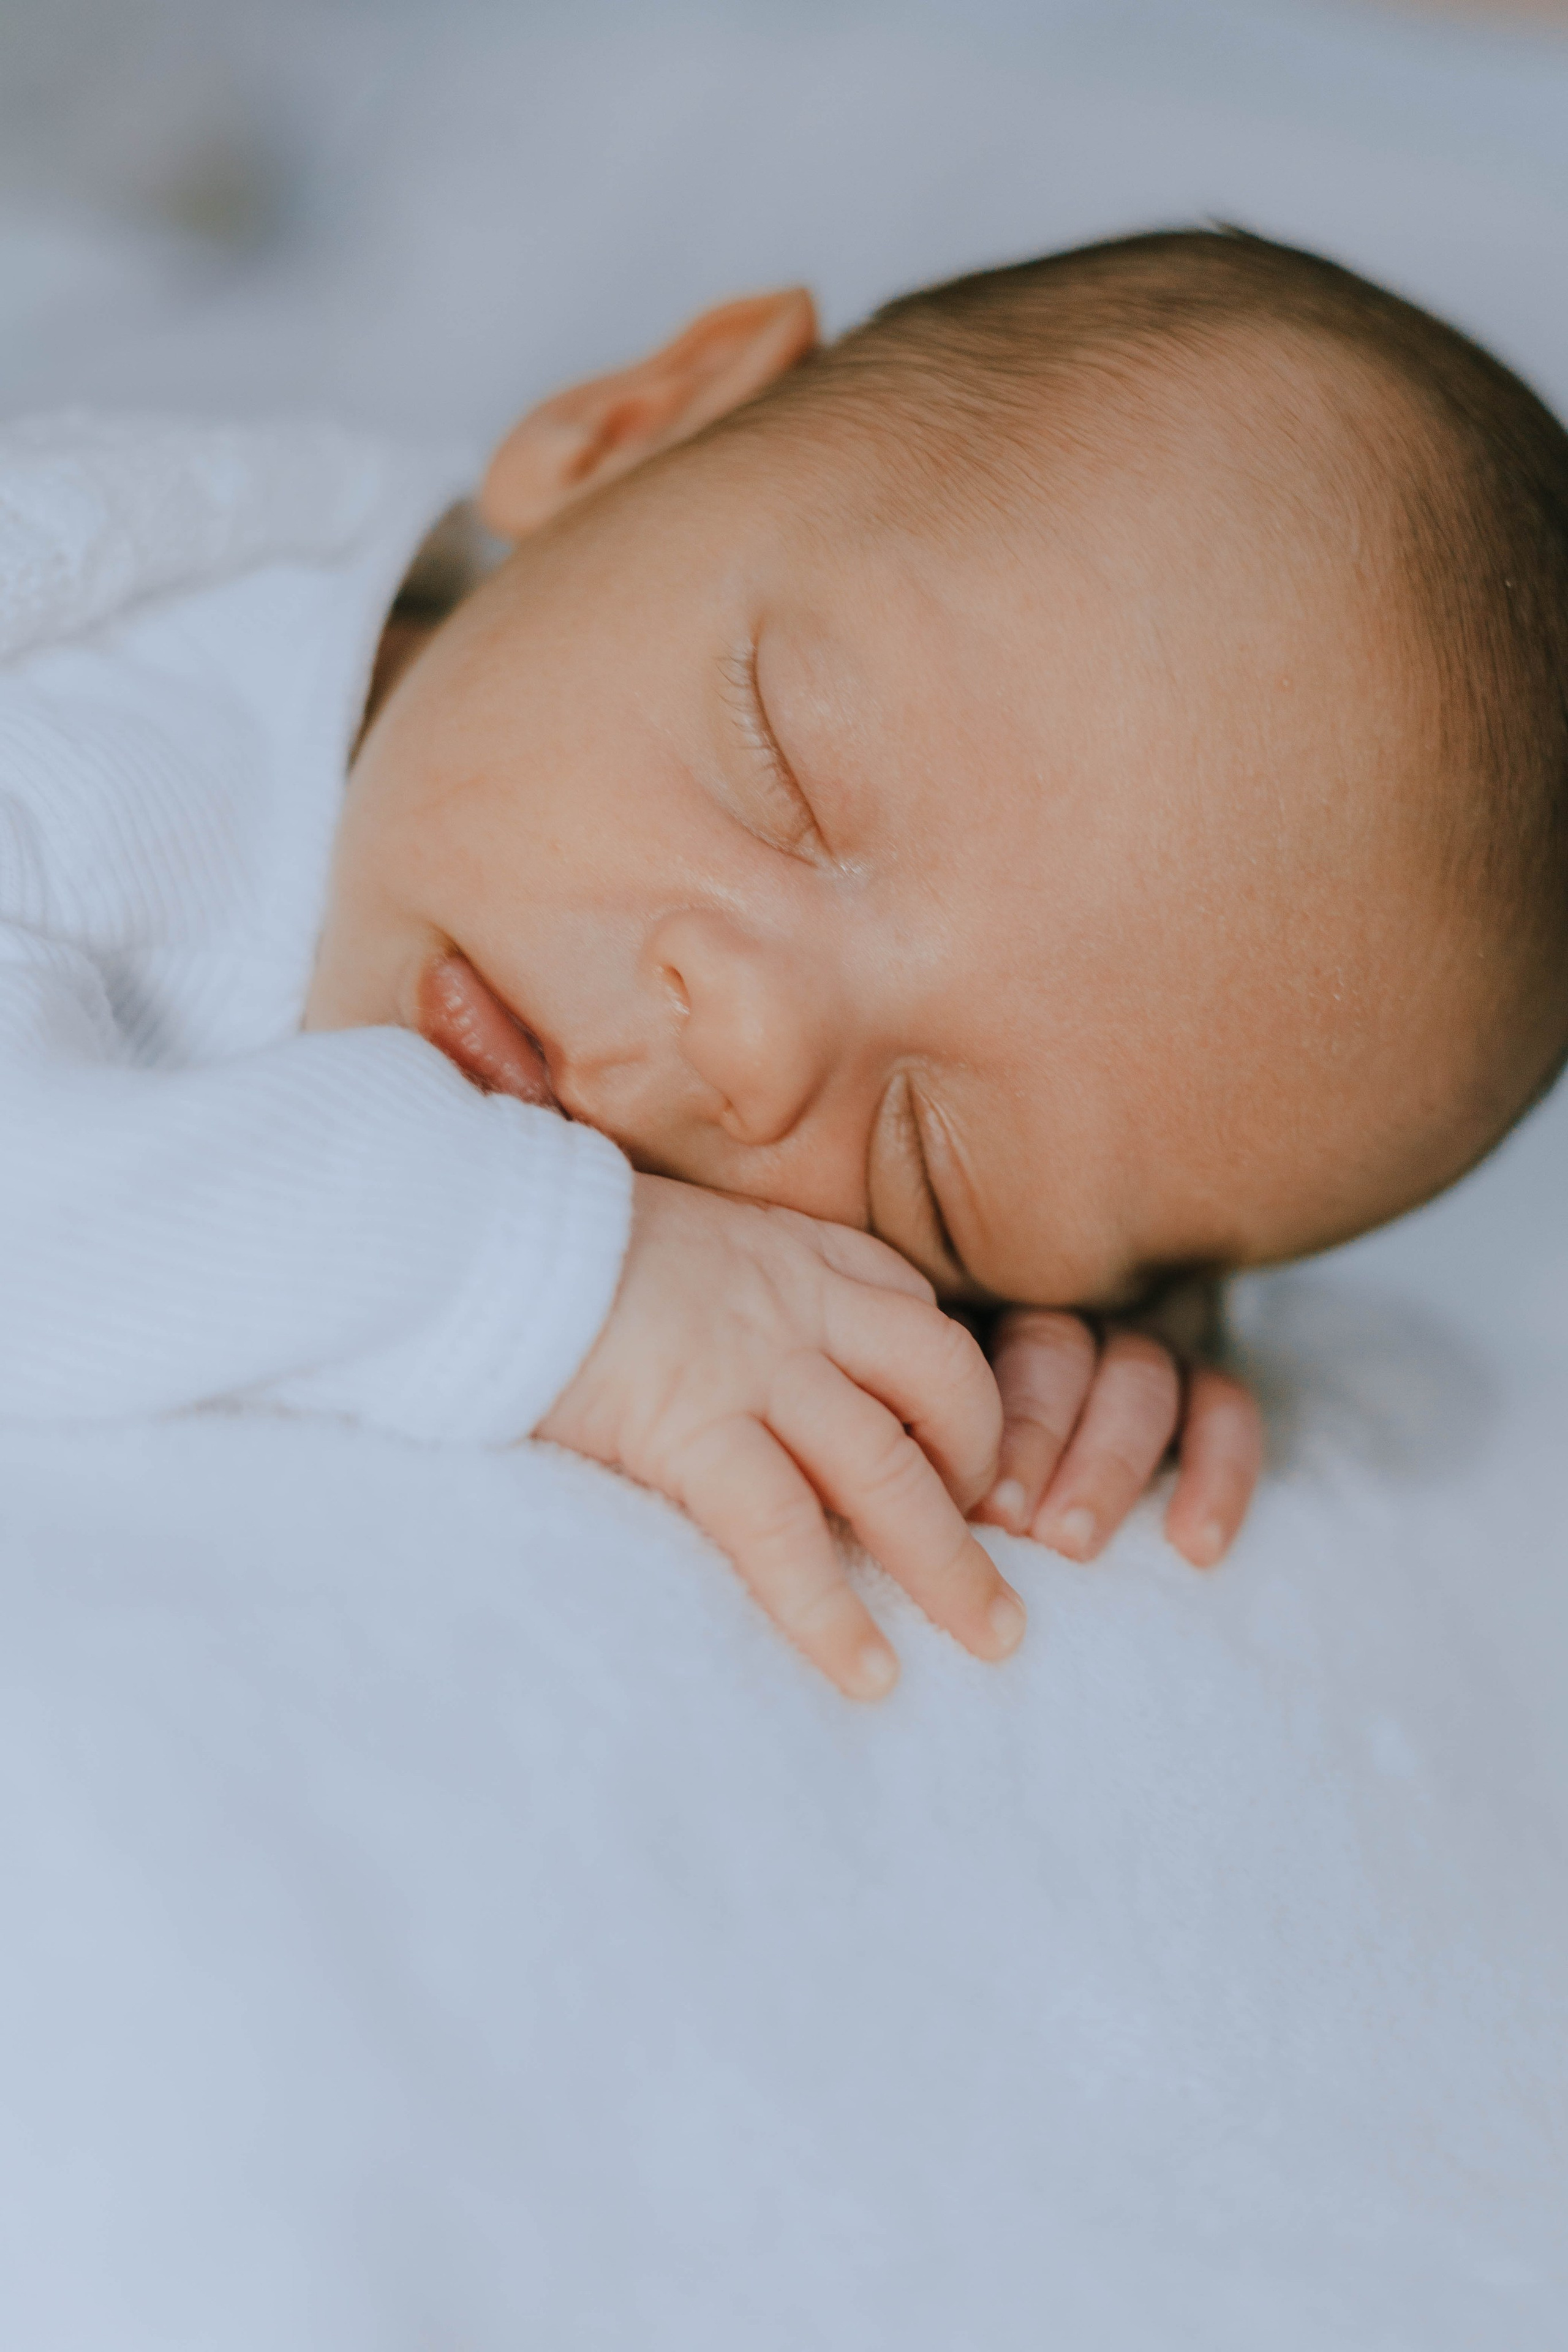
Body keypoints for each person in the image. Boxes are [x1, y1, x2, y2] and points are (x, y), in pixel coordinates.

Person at [5, 229, 1566, 1697]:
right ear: (629, 432)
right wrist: (543, 1271)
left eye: (930, 1175)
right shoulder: (103, 738)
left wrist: (1008, 1354)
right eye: (784, 772)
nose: (751, 1045)